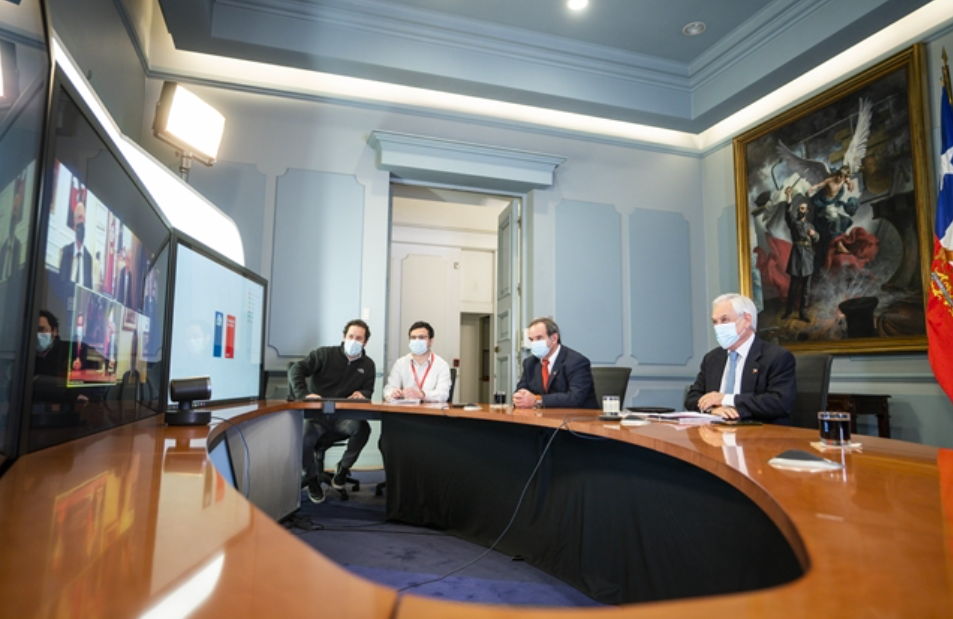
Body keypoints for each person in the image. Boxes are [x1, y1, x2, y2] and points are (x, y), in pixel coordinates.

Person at [289, 319, 375, 503]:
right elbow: (296, 369)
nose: (354, 340)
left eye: (359, 338)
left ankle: (342, 471)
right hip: (316, 418)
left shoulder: (368, 365)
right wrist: (304, 394)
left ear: (365, 342)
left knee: (363, 429)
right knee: (304, 440)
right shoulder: (324, 354)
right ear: (344, 337)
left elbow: (369, 389)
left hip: (342, 418)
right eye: (350, 336)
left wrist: (363, 393)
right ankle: (312, 480)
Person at [685, 293, 796, 423]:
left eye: (725, 320)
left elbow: (779, 402)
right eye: (715, 322)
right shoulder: (712, 358)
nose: (718, 327)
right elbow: (692, 398)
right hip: (715, 434)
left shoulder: (776, 357)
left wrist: (725, 399)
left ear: (747, 320)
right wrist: (712, 410)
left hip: (758, 435)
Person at [512, 317, 598, 409]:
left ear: (554, 338)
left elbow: (575, 398)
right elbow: (521, 391)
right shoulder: (530, 363)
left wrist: (537, 400)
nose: (534, 343)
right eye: (531, 339)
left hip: (579, 418)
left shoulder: (576, 362)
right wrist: (519, 398)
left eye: (539, 338)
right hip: (543, 418)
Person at [383, 321, 452, 402]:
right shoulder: (400, 363)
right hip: (405, 410)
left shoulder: (442, 365)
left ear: (431, 341)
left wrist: (421, 394)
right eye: (413, 337)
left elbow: (443, 394)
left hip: (431, 412)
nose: (417, 341)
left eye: (421, 337)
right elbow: (388, 390)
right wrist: (393, 393)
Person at [781, 187, 819, 322]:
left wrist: (814, 235)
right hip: (797, 257)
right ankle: (788, 311)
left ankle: (803, 313)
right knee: (793, 288)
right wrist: (789, 196)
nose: (801, 210)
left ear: (807, 211)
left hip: (808, 257)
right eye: (800, 208)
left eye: (804, 209)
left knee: (806, 290)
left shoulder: (810, 226)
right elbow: (787, 214)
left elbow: (817, 238)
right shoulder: (794, 223)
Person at [58, 201, 93, 291]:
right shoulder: (65, 252)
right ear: (74, 224)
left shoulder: (88, 258)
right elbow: (60, 286)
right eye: (79, 217)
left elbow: (90, 291)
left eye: (84, 220)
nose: (82, 222)